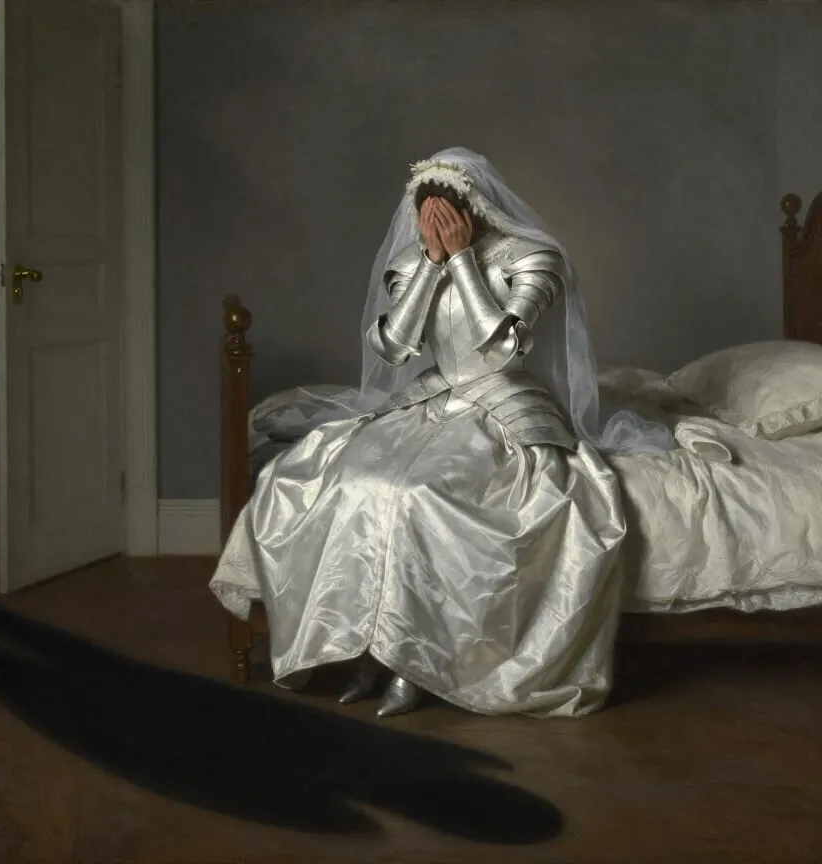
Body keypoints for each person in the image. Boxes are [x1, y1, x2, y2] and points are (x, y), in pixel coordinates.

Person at [210, 148, 673, 718]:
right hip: (431, 397)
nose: (434, 223)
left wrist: (461, 261)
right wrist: (432, 262)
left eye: (448, 213)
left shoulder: (533, 257)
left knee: (419, 494)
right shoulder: (414, 260)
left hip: (505, 401)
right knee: (351, 481)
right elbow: (392, 347)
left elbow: (502, 350)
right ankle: (366, 650)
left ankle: (411, 663)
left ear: (476, 207)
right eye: (425, 214)